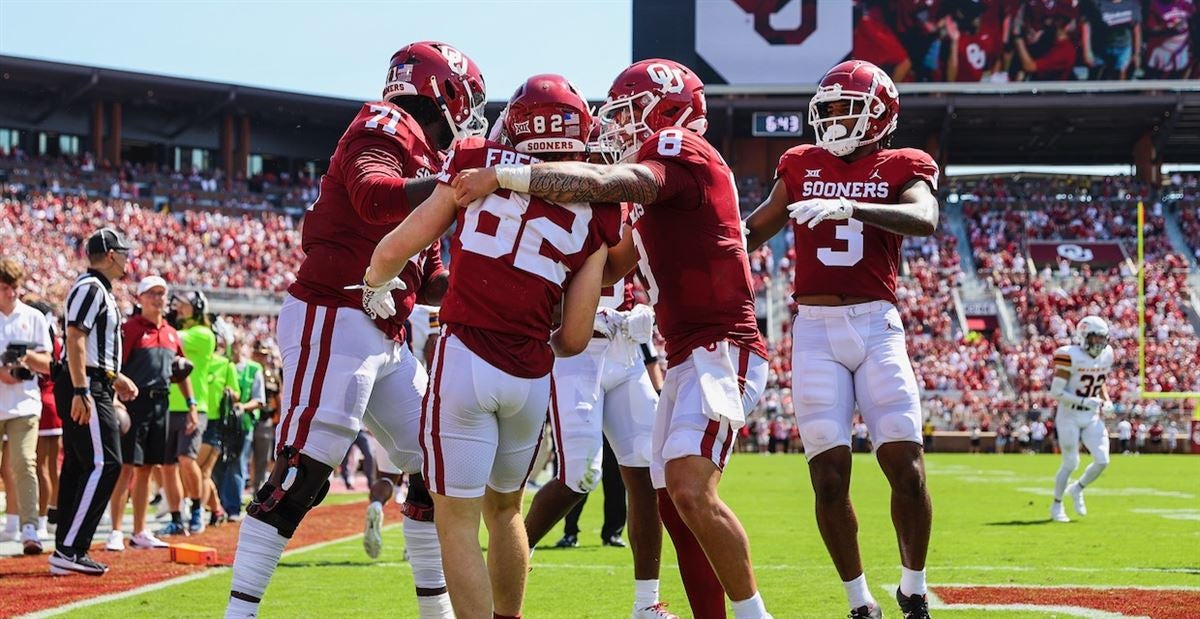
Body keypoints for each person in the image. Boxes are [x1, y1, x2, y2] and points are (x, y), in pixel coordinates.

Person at [452, 60, 772, 619]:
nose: (616, 129)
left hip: (723, 348)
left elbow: (607, 182)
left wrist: (507, 176)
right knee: (672, 497)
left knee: (690, 490)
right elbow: (604, 269)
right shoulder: (658, 205)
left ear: (667, 111)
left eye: (626, 114)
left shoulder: (680, 149)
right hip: (685, 354)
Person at [225, 41, 483, 619]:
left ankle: (435, 612)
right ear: (443, 91)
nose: (466, 118)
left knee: (433, 465)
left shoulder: (430, 166)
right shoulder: (385, 122)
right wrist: (451, 186)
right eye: (465, 102)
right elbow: (372, 199)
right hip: (334, 312)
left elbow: (432, 280)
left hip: (386, 336)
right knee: (303, 475)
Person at [364, 73, 618, 619]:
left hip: (465, 359)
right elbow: (574, 338)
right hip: (529, 371)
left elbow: (398, 246)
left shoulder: (476, 160)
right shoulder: (601, 206)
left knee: (456, 520)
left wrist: (374, 283)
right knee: (506, 510)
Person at [742, 59, 939, 618]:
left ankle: (914, 586)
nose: (831, 119)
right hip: (815, 331)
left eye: (843, 109)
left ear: (880, 113)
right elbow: (758, 225)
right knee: (829, 477)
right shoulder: (801, 162)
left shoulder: (903, 162)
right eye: (825, 109)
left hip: (877, 326)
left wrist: (852, 206)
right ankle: (859, 602)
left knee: (907, 467)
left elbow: (925, 217)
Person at [524, 265, 672, 618]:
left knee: (647, 477)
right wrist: (582, 313)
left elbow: (657, 273)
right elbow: (538, 290)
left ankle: (646, 604)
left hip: (627, 352)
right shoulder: (561, 214)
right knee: (579, 476)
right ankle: (511, 554)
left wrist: (647, 309)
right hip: (575, 353)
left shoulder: (629, 215)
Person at [51, 228, 140, 575]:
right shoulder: (91, 288)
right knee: (106, 464)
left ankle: (66, 547)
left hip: (91, 380)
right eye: (123, 251)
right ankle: (71, 549)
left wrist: (114, 377)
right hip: (84, 384)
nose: (127, 258)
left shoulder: (99, 289)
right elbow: (75, 338)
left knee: (78, 464)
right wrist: (81, 390)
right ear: (110, 254)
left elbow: (86, 347)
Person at [105, 276, 195, 551]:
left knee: (146, 469)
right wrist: (116, 402)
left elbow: (180, 372)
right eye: (153, 293)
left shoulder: (170, 332)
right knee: (126, 468)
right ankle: (116, 531)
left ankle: (140, 530)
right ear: (141, 297)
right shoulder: (130, 329)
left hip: (162, 404)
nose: (159, 298)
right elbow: (113, 367)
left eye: (162, 293)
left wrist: (191, 404)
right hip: (134, 402)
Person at [0, 258, 54, 555]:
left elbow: (48, 364)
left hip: (24, 403)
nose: (12, 293)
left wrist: (24, 359)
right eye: (6, 288)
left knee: (24, 462)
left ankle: (30, 527)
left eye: (15, 287)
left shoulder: (33, 317)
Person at [1048, 316, 1114, 523]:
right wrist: (1085, 401)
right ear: (1084, 336)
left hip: (1091, 415)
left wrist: (1107, 400)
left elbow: (1098, 379)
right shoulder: (1070, 355)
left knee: (1103, 460)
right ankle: (1057, 504)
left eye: (1102, 339)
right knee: (1071, 462)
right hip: (1069, 414)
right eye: (1095, 339)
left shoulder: (1107, 355)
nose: (1099, 344)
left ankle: (1077, 488)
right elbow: (1056, 392)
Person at [158, 290, 212, 536]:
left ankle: (198, 509)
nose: (179, 308)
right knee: (168, 466)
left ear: (198, 309)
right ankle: (177, 517)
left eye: (185, 305)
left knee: (187, 460)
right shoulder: (177, 331)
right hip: (169, 405)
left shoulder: (203, 334)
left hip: (195, 407)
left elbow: (168, 337)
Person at [28, 300, 62, 538]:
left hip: (42, 402)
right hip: (56, 403)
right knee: (52, 465)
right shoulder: (58, 341)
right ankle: (54, 514)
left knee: (41, 467)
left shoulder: (38, 344)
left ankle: (40, 520)